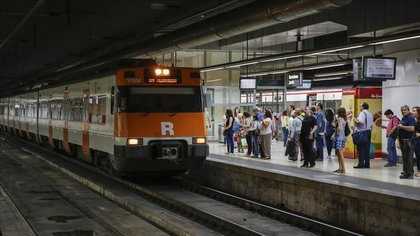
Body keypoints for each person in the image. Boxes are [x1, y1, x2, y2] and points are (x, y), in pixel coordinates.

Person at [353, 102, 374, 169]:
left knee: (361, 149)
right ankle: (367, 164)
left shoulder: (362, 113)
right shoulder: (370, 114)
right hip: (368, 132)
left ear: (363, 107)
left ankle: (361, 163)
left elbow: (361, 123)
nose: (360, 107)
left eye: (360, 106)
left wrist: (355, 121)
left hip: (362, 132)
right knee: (367, 148)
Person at [398, 105, 416, 179]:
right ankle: (406, 171)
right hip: (403, 140)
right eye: (402, 110)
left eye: (405, 110)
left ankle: (409, 174)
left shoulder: (410, 117)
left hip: (408, 141)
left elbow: (412, 128)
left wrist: (401, 127)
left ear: (408, 110)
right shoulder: (404, 117)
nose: (403, 111)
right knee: (405, 157)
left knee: (408, 157)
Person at [332, 107, 347, 174]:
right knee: (338, 153)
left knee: (340, 153)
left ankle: (343, 168)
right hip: (342, 136)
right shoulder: (344, 119)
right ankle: (340, 168)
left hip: (339, 136)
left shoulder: (340, 119)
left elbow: (340, 128)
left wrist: (334, 125)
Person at [412, 107, 420, 177]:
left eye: (414, 111)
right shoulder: (416, 120)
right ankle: (418, 170)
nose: (413, 112)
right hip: (416, 140)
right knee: (418, 156)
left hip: (419, 140)